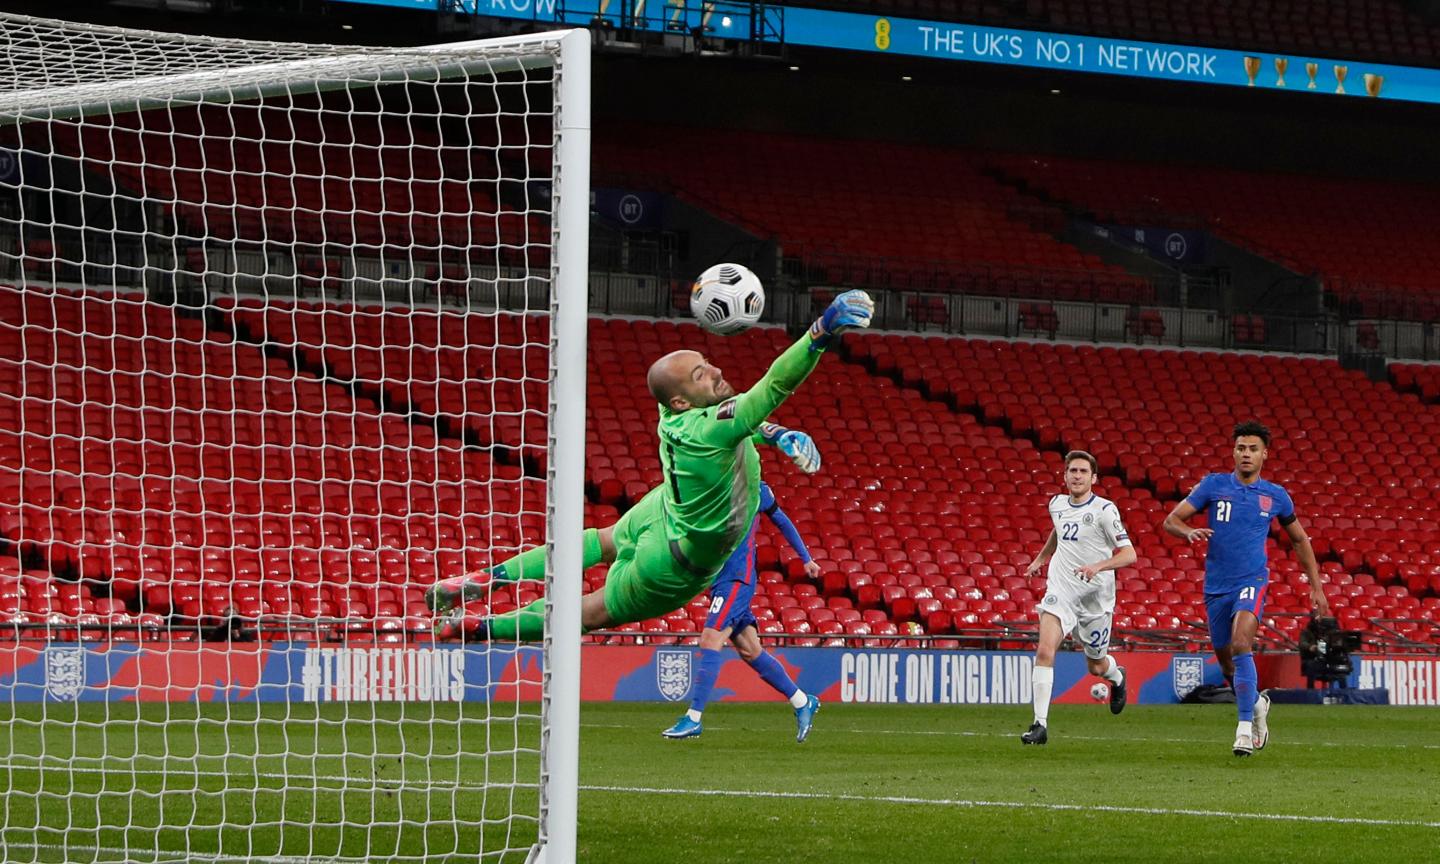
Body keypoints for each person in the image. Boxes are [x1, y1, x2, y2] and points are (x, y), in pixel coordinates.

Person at [427, 289, 875, 641]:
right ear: (682, 398)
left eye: (704, 362)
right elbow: (771, 388)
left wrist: (776, 434)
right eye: (701, 374)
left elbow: (740, 417)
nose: (715, 370)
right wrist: (819, 331)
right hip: (674, 562)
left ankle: (483, 579)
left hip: (664, 510)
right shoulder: (712, 428)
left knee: (599, 540)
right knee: (589, 612)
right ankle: (476, 628)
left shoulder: (673, 414)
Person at [1162, 420, 1330, 756]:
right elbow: (1171, 520)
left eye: (1253, 449)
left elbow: (1299, 539)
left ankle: (1242, 731)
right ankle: (1256, 706)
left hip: (1252, 580)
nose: (1246, 454)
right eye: (1241, 448)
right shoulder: (1213, 486)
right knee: (1227, 664)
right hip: (1216, 586)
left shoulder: (1275, 496)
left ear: (1265, 454)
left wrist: (1317, 587)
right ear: (1234, 452)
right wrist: (1188, 532)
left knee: (1242, 642)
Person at [662, 479, 823, 743]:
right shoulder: (712, 487)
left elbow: (781, 520)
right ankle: (802, 701)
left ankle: (693, 718)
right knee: (750, 650)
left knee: (711, 638)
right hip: (720, 579)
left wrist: (805, 557)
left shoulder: (755, 489)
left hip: (737, 578)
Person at [1020, 450, 1136, 746]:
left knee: (1095, 666)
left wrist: (1098, 566)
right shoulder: (1057, 504)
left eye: (1083, 471)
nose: (1077, 476)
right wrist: (1040, 559)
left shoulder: (1105, 511)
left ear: (1094, 478)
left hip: (1095, 597)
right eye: (1072, 470)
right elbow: (1058, 533)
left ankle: (1117, 677)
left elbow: (1129, 554)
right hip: (1061, 589)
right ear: (1065, 475)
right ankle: (1039, 724)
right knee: (1045, 650)